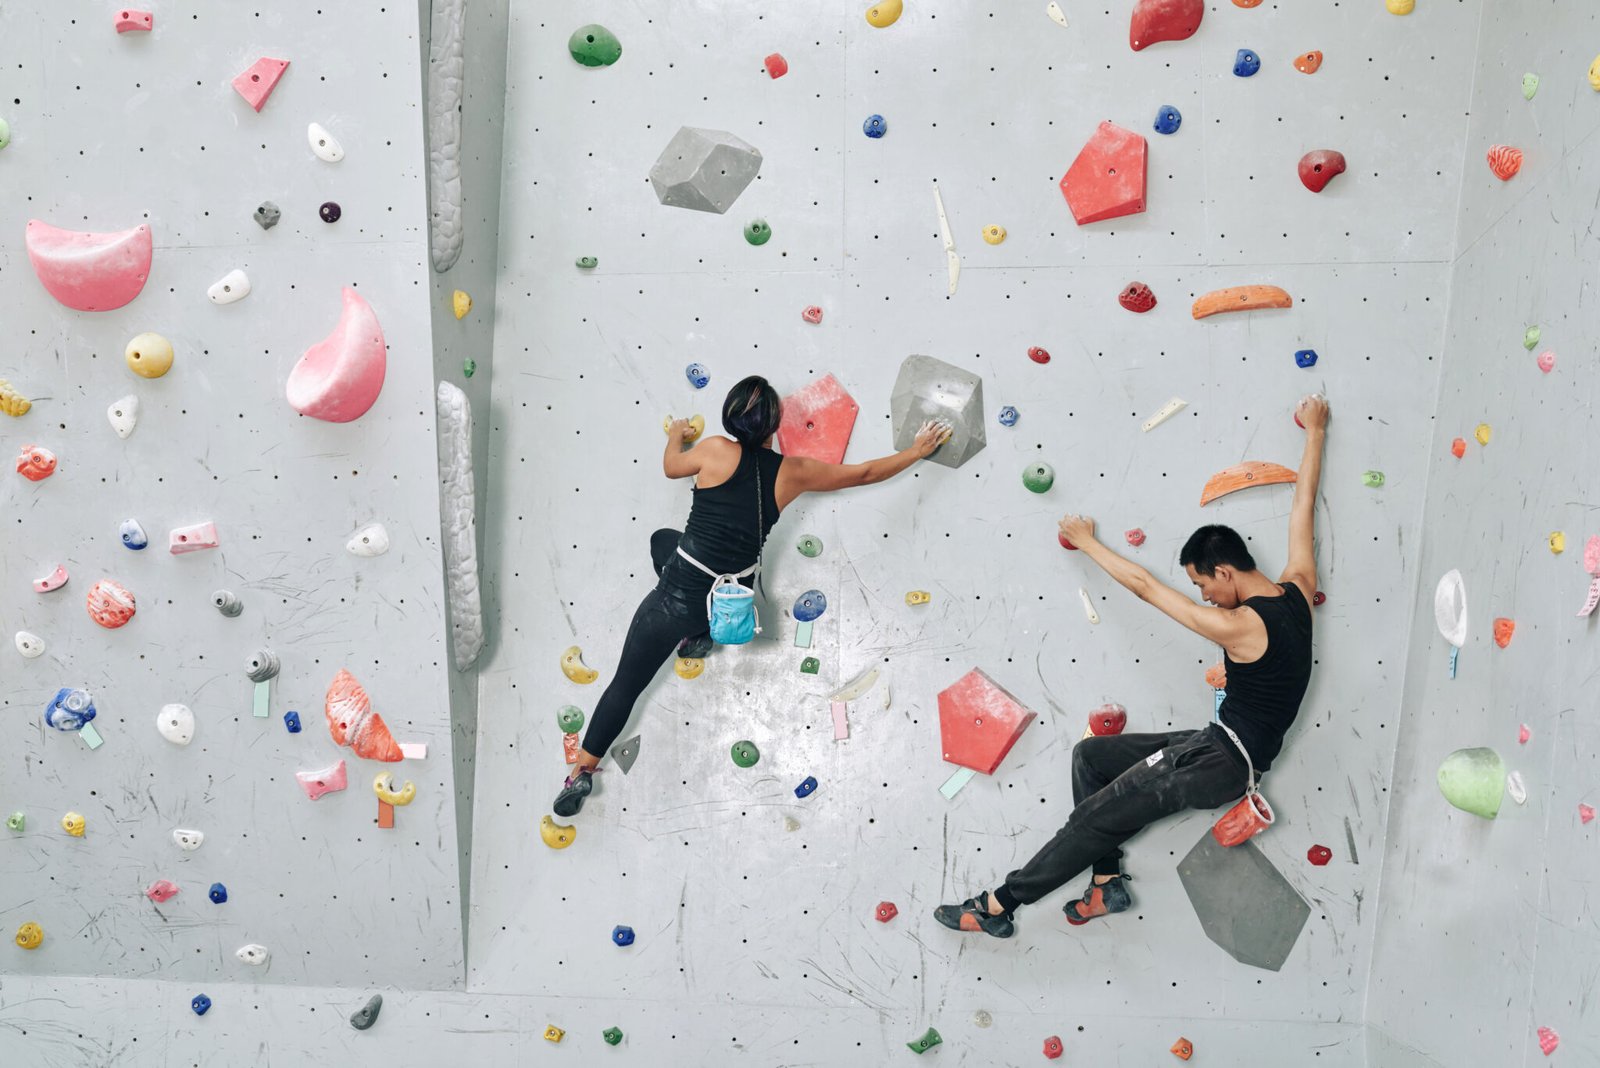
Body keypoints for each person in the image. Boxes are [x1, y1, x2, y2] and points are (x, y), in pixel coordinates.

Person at [935, 394, 1329, 938]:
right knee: (1091, 757)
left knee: (1094, 817)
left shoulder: (1239, 625)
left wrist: (1087, 542)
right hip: (1214, 744)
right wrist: (1315, 432)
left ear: (1224, 570)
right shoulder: (1298, 589)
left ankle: (998, 906)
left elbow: (1146, 588)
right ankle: (1105, 882)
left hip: (1218, 762)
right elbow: (1302, 508)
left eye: (1203, 584)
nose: (1206, 596)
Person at [554, 375, 952, 816]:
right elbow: (864, 474)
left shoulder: (712, 450)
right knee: (666, 546)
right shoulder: (793, 471)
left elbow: (671, 466)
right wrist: (916, 451)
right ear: (774, 426)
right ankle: (699, 636)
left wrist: (674, 435)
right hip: (732, 597)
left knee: (626, 682)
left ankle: (582, 773)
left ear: (729, 418)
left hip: (674, 601)